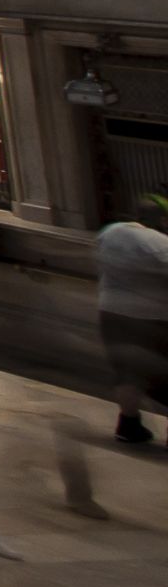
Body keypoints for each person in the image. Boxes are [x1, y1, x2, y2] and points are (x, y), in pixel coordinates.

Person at [100, 191, 168, 447]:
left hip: (111, 313)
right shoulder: (160, 244)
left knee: (127, 374)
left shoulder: (111, 233)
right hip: (153, 319)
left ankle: (128, 425)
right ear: (161, 220)